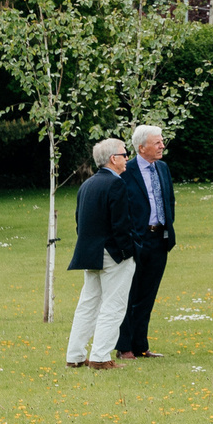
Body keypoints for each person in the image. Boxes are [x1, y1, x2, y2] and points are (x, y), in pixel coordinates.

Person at [66, 137, 139, 369]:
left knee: (88, 304)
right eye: (124, 154)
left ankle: (75, 356)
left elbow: (80, 222)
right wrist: (128, 251)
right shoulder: (116, 184)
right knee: (114, 305)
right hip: (113, 253)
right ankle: (100, 357)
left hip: (91, 252)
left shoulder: (86, 185)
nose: (127, 158)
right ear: (113, 159)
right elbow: (121, 224)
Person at [113, 124, 176, 359]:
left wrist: (167, 227)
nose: (162, 145)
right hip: (136, 240)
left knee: (147, 295)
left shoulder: (163, 168)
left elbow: (169, 200)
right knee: (129, 295)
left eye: (162, 141)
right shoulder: (125, 171)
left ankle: (141, 345)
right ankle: (125, 347)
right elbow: (120, 208)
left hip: (159, 240)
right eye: (157, 142)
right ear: (141, 147)